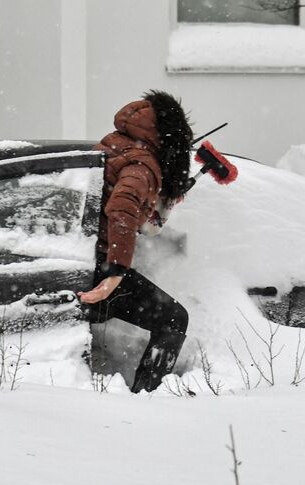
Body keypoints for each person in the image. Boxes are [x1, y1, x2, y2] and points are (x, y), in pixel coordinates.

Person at [78, 90, 193, 394]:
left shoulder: (115, 143)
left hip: (74, 255)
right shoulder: (144, 165)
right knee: (174, 318)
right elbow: (122, 208)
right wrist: (116, 270)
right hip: (98, 270)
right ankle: (148, 395)